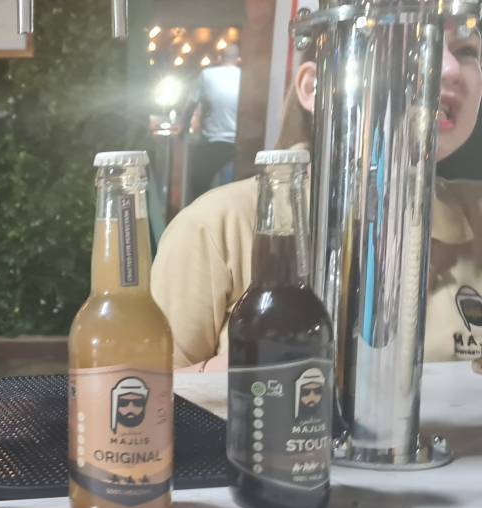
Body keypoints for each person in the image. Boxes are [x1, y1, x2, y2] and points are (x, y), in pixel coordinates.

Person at [152, 26, 482, 372]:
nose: (450, 69)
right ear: (314, 87)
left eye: (466, 51)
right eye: (412, 42)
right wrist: (251, 375)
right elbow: (142, 391)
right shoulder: (218, 226)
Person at [188, 44, 241, 197]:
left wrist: (182, 129)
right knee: (229, 191)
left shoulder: (207, 74)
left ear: (219, 58)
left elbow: (191, 104)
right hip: (235, 145)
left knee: (198, 187)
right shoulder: (244, 76)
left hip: (211, 143)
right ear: (238, 59)